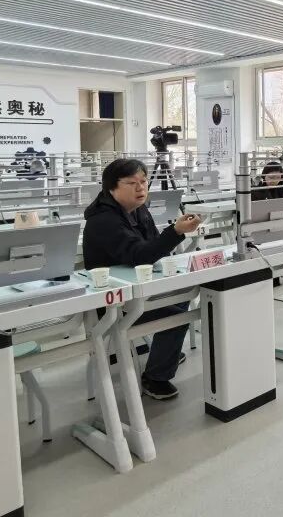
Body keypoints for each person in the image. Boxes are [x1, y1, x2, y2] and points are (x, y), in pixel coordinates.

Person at [83, 158, 202, 401]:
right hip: (114, 299)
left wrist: (172, 234)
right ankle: (156, 376)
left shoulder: (139, 210)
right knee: (175, 317)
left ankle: (164, 352)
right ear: (111, 188)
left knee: (182, 295)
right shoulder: (102, 220)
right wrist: (176, 231)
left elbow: (153, 248)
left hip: (139, 286)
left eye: (144, 181)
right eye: (132, 183)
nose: (141, 188)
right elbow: (140, 256)